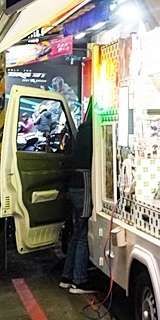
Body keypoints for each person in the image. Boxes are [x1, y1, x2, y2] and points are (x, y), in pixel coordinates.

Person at [60, 112, 94, 294]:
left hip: (73, 187)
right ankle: (79, 281)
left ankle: (67, 277)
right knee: (83, 234)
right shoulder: (94, 134)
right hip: (84, 186)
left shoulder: (81, 132)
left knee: (75, 234)